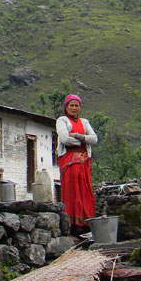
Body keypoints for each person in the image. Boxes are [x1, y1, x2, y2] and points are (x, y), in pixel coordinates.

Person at [56, 94, 98, 235]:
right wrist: (83, 140)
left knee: (85, 191)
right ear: (66, 107)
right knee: (71, 190)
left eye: (77, 105)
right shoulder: (62, 120)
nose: (74, 108)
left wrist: (78, 136)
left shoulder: (84, 122)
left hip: (84, 162)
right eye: (71, 105)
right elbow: (64, 139)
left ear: (80, 108)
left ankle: (86, 223)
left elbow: (94, 139)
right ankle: (72, 224)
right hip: (69, 161)